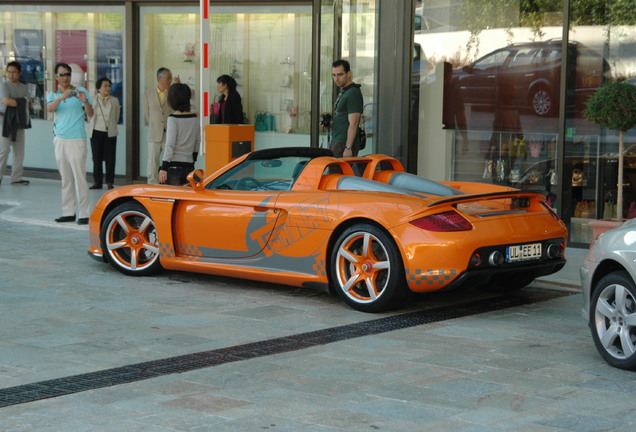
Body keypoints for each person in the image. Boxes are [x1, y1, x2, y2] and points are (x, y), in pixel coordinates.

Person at [46, 62, 94, 224]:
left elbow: (91, 114)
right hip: (60, 140)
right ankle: (68, 212)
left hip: (77, 139)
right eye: (62, 75)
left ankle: (84, 213)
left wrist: (85, 101)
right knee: (65, 178)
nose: (65, 77)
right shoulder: (52, 95)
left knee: (80, 177)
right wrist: (61, 97)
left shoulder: (81, 91)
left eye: (67, 74)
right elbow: (50, 109)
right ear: (56, 77)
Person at [158, 83, 200, 186]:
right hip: (189, 166)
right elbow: (198, 141)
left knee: (173, 199)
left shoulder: (173, 119)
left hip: (173, 168)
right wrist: (193, 159)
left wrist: (164, 167)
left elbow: (170, 144)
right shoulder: (195, 118)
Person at [142, 67, 179, 184]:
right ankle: (152, 185)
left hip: (170, 132)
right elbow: (147, 114)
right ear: (159, 79)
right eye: (168, 78)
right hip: (154, 133)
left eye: (171, 78)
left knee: (171, 161)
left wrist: (177, 88)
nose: (170, 81)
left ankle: (170, 184)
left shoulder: (173, 92)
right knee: (153, 162)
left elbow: (178, 108)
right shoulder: (148, 94)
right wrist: (155, 124)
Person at [0, 60, 31, 186]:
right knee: (4, 151)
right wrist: (21, 102)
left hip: (19, 122)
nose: (11, 74)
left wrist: (18, 102)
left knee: (19, 151)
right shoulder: (4, 85)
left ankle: (17, 178)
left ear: (19, 73)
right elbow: (7, 101)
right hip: (4, 122)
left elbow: (29, 102)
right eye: (9, 72)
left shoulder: (23, 87)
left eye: (14, 72)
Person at [88, 77, 121, 190]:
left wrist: (111, 125)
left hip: (110, 132)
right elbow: (89, 116)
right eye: (105, 86)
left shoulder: (114, 100)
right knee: (96, 158)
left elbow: (116, 117)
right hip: (96, 131)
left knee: (110, 158)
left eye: (109, 86)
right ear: (98, 88)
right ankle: (98, 182)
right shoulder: (93, 99)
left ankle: (110, 182)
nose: (108, 88)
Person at [327, 59, 363, 157]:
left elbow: (354, 123)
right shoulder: (345, 91)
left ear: (348, 74)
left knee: (338, 171)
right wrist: (329, 124)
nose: (336, 79)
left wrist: (348, 147)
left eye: (340, 74)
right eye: (334, 75)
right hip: (337, 140)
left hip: (343, 143)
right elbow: (342, 117)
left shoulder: (353, 93)